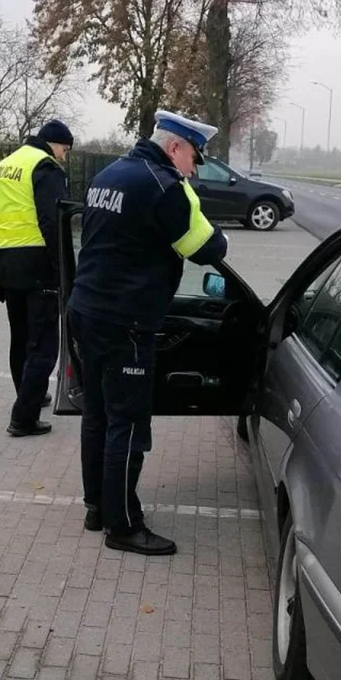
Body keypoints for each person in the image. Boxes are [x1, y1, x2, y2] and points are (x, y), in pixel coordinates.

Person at [68, 110, 229, 555]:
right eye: (193, 157)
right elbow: (208, 248)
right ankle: (123, 527)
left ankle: (97, 507)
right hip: (127, 322)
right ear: (175, 146)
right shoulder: (163, 186)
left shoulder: (110, 174)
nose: (193, 168)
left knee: (97, 416)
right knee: (128, 424)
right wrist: (192, 201)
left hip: (85, 309)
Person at [0, 120, 73, 437]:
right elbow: (53, 222)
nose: (64, 156)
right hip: (38, 266)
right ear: (55, 144)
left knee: (20, 338)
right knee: (44, 345)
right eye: (65, 150)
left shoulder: (5, 165)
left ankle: (29, 393)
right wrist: (62, 270)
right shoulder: (45, 167)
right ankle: (23, 417)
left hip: (9, 266)